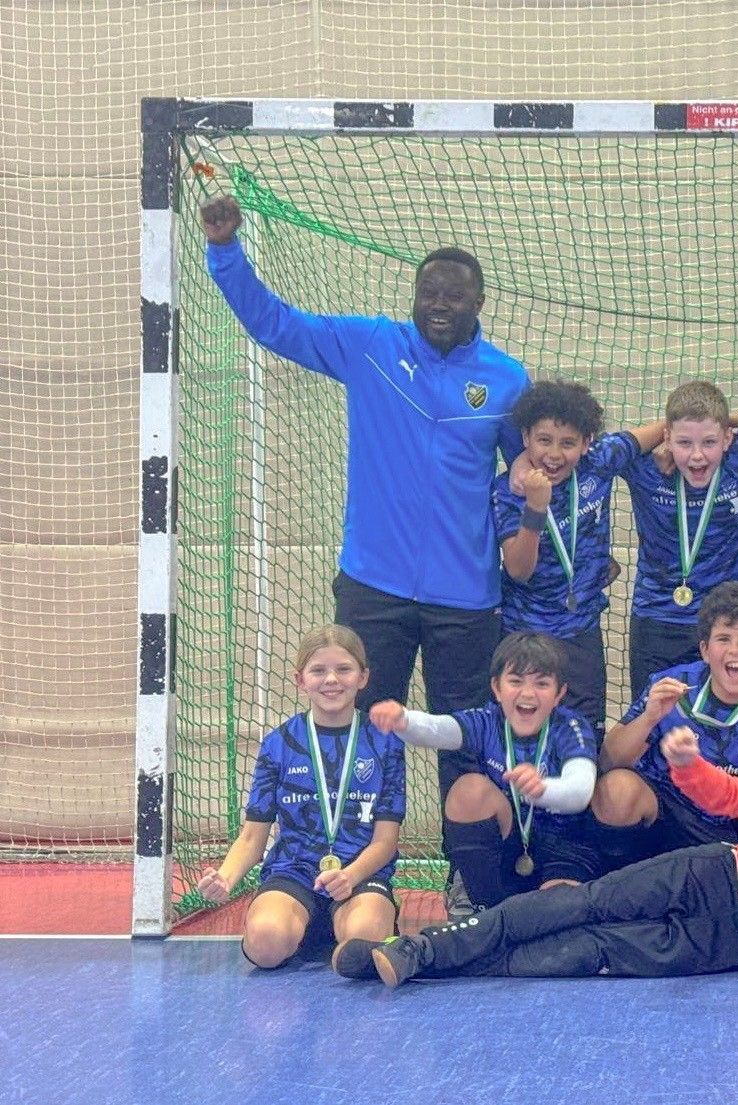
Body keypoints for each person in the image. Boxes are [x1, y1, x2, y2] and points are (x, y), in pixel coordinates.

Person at [200, 195, 523, 727]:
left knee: (468, 739)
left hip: (466, 596)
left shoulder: (508, 378)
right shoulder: (370, 345)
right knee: (366, 739)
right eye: (428, 293)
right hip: (374, 586)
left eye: (455, 296)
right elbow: (275, 325)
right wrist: (225, 249)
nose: (439, 305)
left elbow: (531, 473)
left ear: (480, 302)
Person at [331, 720, 738, 986]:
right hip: (717, 874)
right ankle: (419, 950)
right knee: (587, 903)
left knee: (596, 950)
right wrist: (690, 767)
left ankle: (438, 971)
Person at [196, 625, 405, 969]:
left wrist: (350, 877)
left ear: (363, 677)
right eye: (318, 670)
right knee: (265, 944)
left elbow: (385, 842)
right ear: (300, 680)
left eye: (344, 669)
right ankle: (298, 928)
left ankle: (356, 925)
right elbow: (251, 837)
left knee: (364, 941)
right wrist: (226, 878)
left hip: (359, 876)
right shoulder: (279, 744)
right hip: (293, 872)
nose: (331, 679)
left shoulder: (385, 743)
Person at [590, 581, 738, 868]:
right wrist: (649, 718)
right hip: (665, 815)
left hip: (727, 823)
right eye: (723, 639)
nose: (735, 650)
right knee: (617, 790)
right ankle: (621, 875)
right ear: (705, 650)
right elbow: (608, 760)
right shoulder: (670, 686)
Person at [366, 632, 600, 911]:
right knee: (468, 789)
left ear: (559, 693)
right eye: (516, 681)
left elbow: (581, 791)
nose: (528, 693)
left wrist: (544, 789)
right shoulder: (487, 721)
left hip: (562, 848)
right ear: (497, 688)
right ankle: (481, 904)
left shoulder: (571, 727)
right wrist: (404, 719)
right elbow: (439, 729)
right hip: (507, 846)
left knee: (558, 913)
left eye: (542, 683)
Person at [493, 381, 666, 733]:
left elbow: (671, 425)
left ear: (587, 442)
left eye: (568, 443)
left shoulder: (600, 461)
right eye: (544, 440)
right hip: (525, 634)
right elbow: (518, 569)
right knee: (527, 741)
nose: (554, 454)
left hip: (581, 634)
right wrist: (535, 509)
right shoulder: (509, 491)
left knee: (586, 740)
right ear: (525, 437)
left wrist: (736, 421)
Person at [621, 381, 738, 701]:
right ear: (667, 438)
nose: (697, 456)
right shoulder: (643, 465)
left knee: (723, 721)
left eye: (709, 442)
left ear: (727, 439)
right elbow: (597, 448)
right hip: (657, 619)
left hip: (728, 622)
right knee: (654, 719)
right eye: (684, 442)